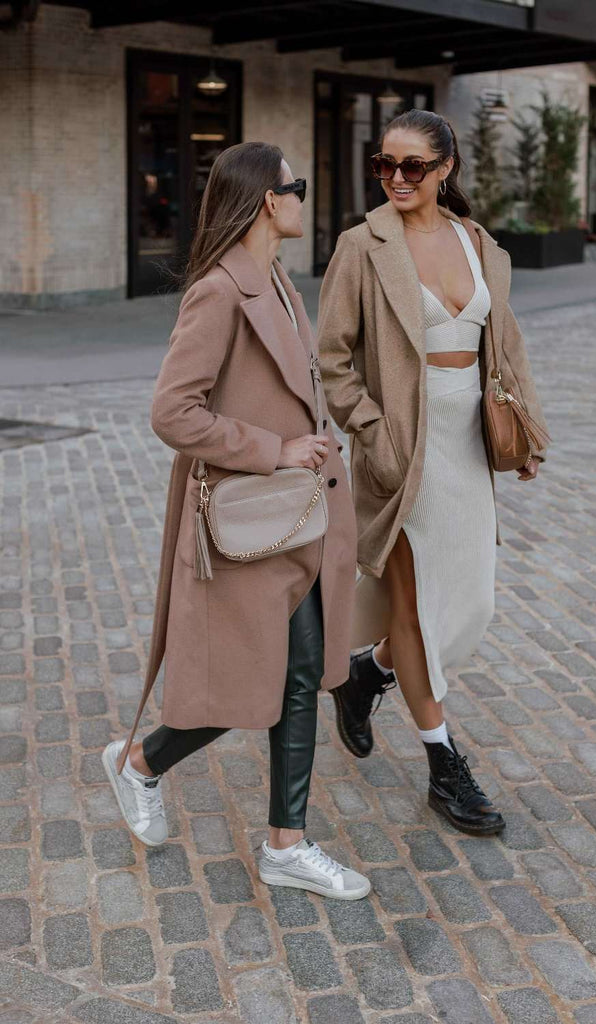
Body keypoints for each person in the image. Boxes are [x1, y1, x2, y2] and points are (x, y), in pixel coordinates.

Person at [102, 142, 369, 900]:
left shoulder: (278, 280)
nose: (302, 198)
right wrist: (272, 448)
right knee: (247, 680)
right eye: (297, 187)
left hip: (295, 518)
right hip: (249, 522)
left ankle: (285, 843)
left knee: (299, 674)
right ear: (265, 200)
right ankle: (139, 762)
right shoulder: (220, 291)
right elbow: (171, 411)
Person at [318, 109, 549, 837]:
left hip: (469, 444)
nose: (395, 178)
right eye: (383, 165)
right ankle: (442, 759)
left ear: (445, 168)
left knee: (471, 605)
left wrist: (526, 435)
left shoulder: (478, 243)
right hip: (403, 453)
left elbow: (504, 350)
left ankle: (368, 672)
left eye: (411, 166)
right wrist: (372, 433)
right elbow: (331, 359)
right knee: (416, 607)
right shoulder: (362, 246)